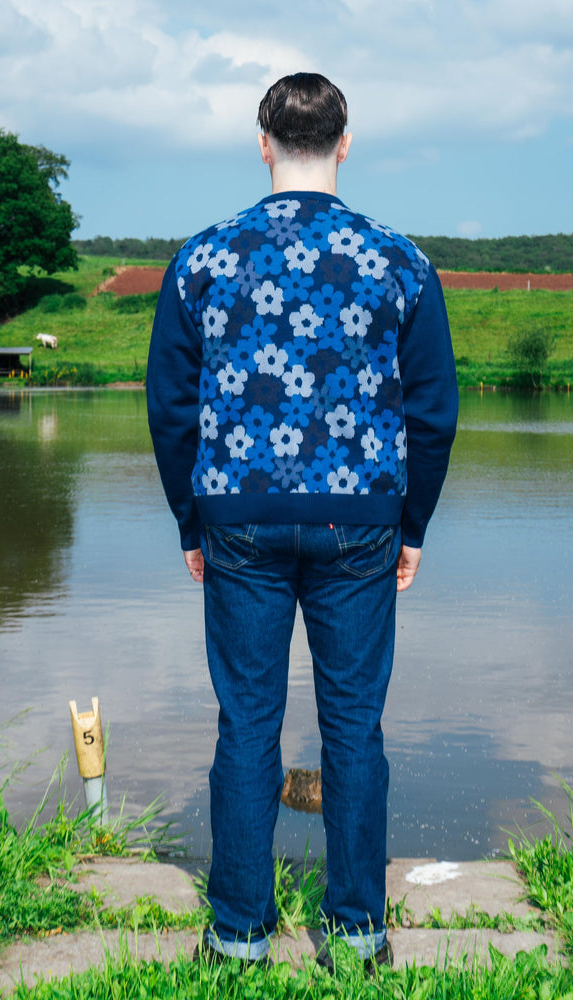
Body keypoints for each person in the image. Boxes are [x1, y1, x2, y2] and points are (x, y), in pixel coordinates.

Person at [147, 72, 458, 971]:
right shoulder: (400, 259)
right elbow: (431, 411)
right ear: (345, 143)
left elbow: (172, 406)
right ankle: (357, 935)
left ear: (264, 143)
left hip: (237, 518)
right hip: (362, 521)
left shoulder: (202, 258)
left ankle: (238, 937)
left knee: (246, 723)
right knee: (354, 725)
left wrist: (189, 523)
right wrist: (414, 526)